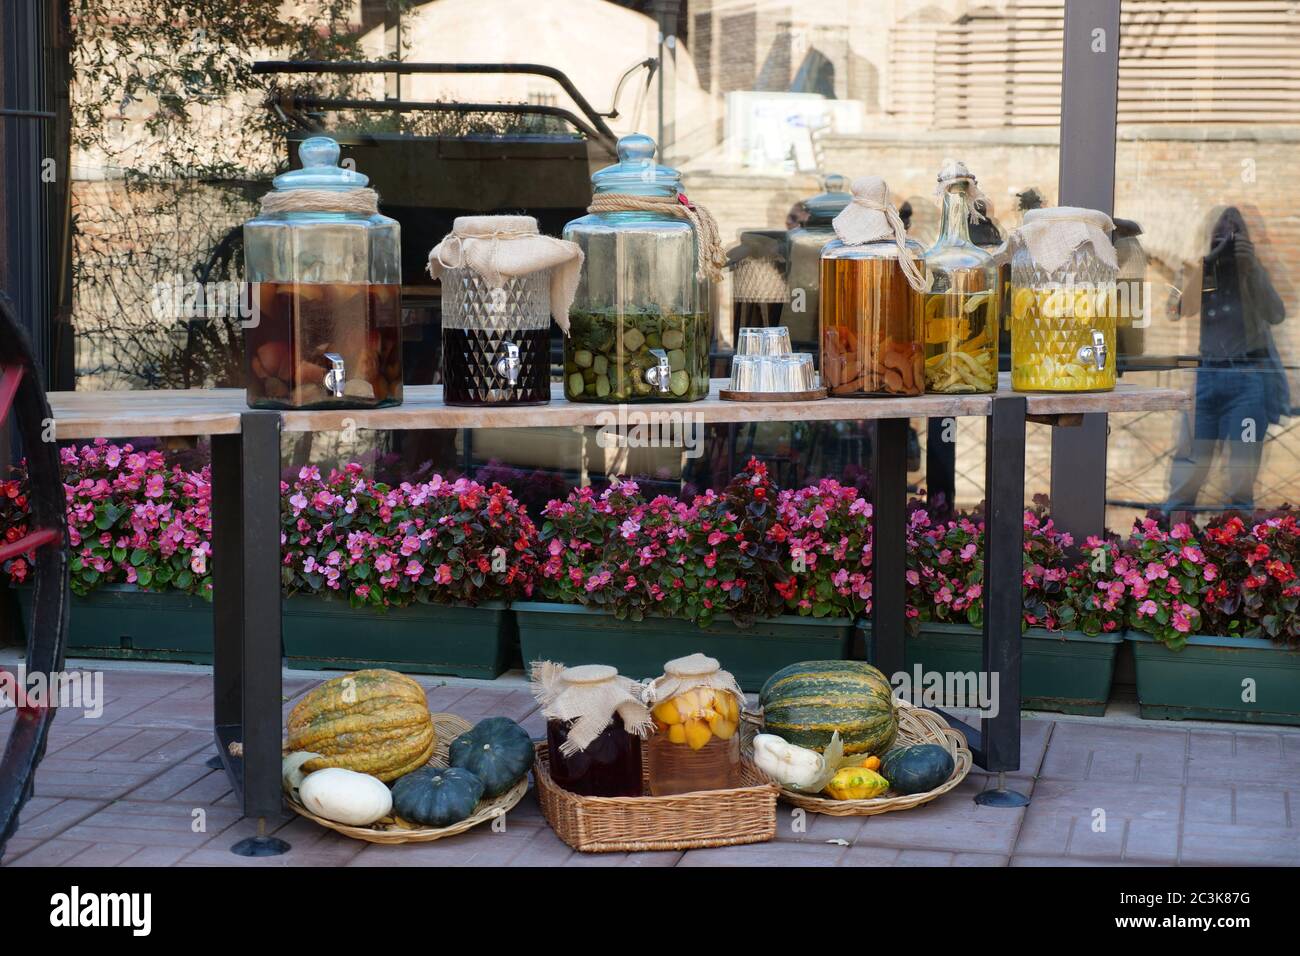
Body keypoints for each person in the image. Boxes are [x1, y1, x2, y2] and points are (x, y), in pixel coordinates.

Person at [1166, 206, 1290, 513]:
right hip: (1206, 378)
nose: (1228, 238)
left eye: (1236, 232)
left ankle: (1237, 548)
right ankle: (1171, 543)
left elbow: (1276, 314)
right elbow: (1177, 310)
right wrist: (1207, 265)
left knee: (1241, 472)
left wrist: (1251, 269)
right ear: (1209, 236)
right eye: (1221, 231)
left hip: (1248, 379)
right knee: (1189, 467)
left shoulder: (1254, 268)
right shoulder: (1199, 269)